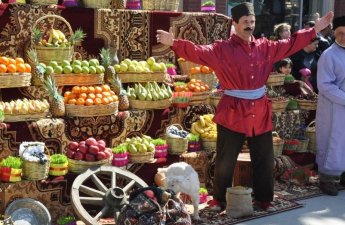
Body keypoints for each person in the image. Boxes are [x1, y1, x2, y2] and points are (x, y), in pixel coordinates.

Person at [156, 2, 333, 211]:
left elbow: (291, 43)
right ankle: (218, 199)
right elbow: (197, 52)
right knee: (224, 160)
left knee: (265, 159)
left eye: (252, 21)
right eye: (245, 22)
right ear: (235, 23)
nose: (250, 25)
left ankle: (264, 199)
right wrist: (174, 42)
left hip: (259, 110)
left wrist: (313, 30)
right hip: (233, 110)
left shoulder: (266, 47)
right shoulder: (221, 49)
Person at [316, 15, 345, 196]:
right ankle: (326, 179)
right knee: (332, 141)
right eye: (340, 33)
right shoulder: (329, 55)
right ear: (334, 33)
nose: (343, 37)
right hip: (334, 107)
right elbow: (325, 85)